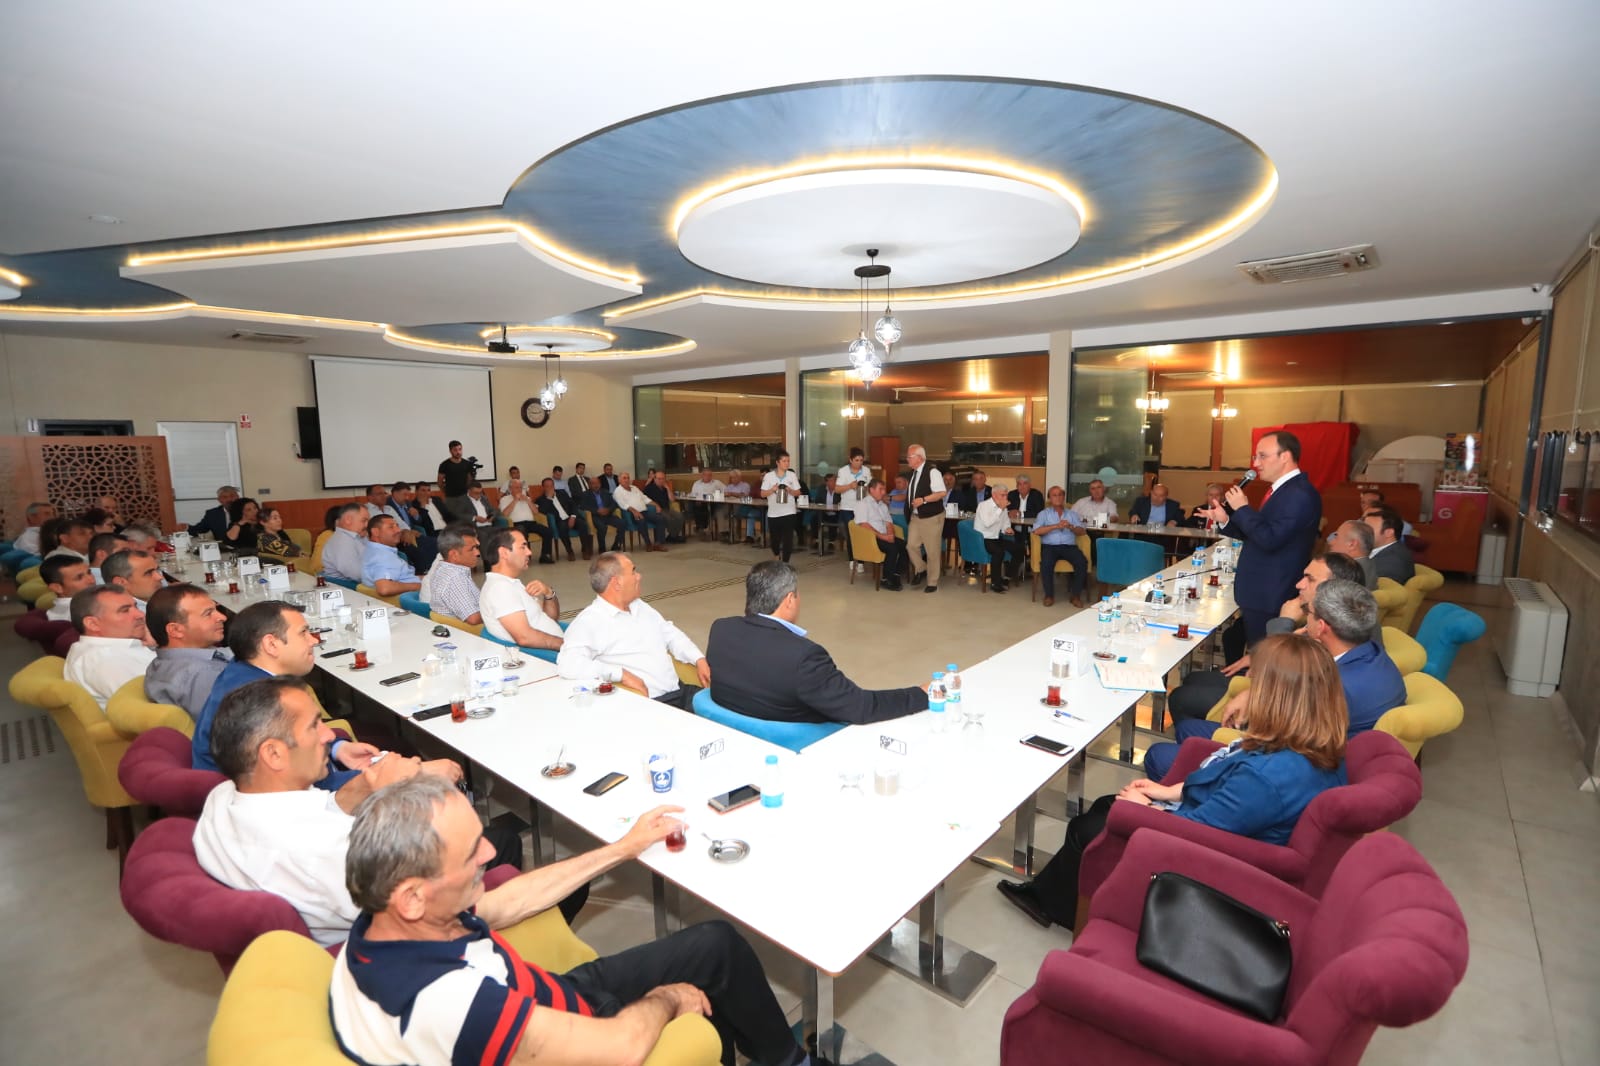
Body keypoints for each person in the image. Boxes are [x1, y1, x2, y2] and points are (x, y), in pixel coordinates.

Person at [329, 775, 825, 1066]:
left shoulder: (389, 923)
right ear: (413, 897)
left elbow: (512, 901)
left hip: (546, 991)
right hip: (580, 1027)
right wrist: (669, 997)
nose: (489, 854)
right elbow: (621, 1048)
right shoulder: (446, 1002)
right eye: (469, 853)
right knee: (708, 970)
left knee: (716, 944)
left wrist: (623, 849)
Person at [997, 633, 1349, 928]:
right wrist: (1168, 791)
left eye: (1256, 683)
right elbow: (1225, 792)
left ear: (1276, 696)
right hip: (1223, 831)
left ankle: (1058, 906)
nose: (1249, 690)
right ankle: (1055, 894)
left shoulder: (1266, 779)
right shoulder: (1310, 745)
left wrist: (1146, 811)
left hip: (1210, 862)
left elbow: (1200, 834)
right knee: (1105, 805)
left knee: (1086, 827)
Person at [193, 676, 469, 947]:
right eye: (314, 726)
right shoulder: (324, 851)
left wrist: (368, 784)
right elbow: (430, 908)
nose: (329, 735)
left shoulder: (224, 797)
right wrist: (400, 798)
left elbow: (317, 813)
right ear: (273, 754)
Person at [1144, 580, 1404, 780]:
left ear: (1322, 627)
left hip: (1295, 770)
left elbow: (1277, 739)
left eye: (1309, 612)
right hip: (1314, 752)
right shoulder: (1369, 653)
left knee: (1158, 755)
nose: (1305, 618)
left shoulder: (1335, 687)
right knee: (1188, 729)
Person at [708, 561, 927, 729]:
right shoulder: (803, 656)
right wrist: (921, 693)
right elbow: (861, 707)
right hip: (798, 744)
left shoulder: (720, 629)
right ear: (789, 600)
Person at [1162, 551, 1367, 731]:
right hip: (1271, 686)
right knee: (1193, 679)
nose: (1299, 584)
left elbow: (1274, 673)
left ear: (1334, 589)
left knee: (1181, 698)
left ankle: (1203, 744)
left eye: (1310, 579)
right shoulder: (1326, 617)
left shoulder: (1333, 630)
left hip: (1276, 707)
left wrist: (1284, 622)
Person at [190, 600, 378, 780]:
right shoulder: (260, 702)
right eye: (303, 633)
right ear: (271, 644)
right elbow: (314, 784)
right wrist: (378, 775)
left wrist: (338, 748)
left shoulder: (242, 671)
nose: (313, 640)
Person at [1196, 430, 1323, 650]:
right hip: (1262, 591)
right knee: (1254, 649)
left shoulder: (1299, 494)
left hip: (1271, 592)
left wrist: (1242, 508)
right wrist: (1226, 519)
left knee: (1265, 655)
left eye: (1262, 456)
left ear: (1285, 456)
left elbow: (1270, 539)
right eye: (1255, 457)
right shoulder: (1282, 490)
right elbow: (1258, 533)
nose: (1255, 464)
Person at [558, 552, 707, 709]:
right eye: (633, 571)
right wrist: (621, 674)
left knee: (723, 705)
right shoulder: (590, 621)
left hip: (680, 691)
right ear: (617, 583)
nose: (639, 576)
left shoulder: (639, 606)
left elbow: (670, 634)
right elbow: (568, 664)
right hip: (653, 703)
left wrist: (698, 658)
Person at [142, 584, 231, 721]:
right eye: (208, 613)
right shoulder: (202, 674)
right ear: (176, 630)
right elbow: (228, 725)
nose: (222, 617)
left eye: (216, 610)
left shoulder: (162, 662)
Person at [62, 586, 156, 704]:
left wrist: (156, 646)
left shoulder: (107, 649)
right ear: (93, 624)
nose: (141, 614)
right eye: (125, 610)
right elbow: (163, 702)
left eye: (135, 607)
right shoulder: (106, 661)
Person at [477, 528, 564, 650]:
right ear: (504, 553)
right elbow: (524, 637)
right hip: (553, 655)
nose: (529, 552)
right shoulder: (500, 589)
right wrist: (568, 646)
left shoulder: (511, 583)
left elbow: (551, 618)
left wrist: (549, 593)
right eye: (523, 547)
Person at [1034, 485, 1090, 607]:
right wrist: (1055, 526)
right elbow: (1037, 531)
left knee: (1082, 562)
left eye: (1060, 495)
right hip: (1050, 546)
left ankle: (1075, 596)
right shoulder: (1043, 514)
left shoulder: (1072, 514)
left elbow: (1082, 532)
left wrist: (1071, 527)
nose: (1058, 497)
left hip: (1069, 547)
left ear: (1063, 497)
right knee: (1046, 564)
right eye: (1054, 495)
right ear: (1050, 499)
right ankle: (1049, 595)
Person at [904, 444, 947, 594]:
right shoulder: (913, 473)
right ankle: (921, 568)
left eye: (909, 457)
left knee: (932, 550)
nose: (907, 459)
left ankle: (932, 582)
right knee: (911, 546)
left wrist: (923, 500)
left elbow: (941, 493)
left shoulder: (932, 472)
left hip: (931, 517)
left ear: (920, 458)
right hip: (916, 516)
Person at [419, 525, 482, 624]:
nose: (477, 553)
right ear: (454, 555)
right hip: (473, 631)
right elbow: (473, 618)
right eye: (472, 549)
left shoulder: (444, 568)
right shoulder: (455, 578)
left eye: (477, 547)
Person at [854, 478, 907, 590]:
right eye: (880, 489)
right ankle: (886, 579)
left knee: (906, 546)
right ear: (871, 490)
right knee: (892, 549)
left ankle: (896, 574)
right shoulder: (863, 504)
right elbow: (864, 525)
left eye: (884, 489)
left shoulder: (882, 505)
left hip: (884, 536)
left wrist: (890, 535)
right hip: (871, 538)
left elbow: (889, 523)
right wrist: (882, 536)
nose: (883, 492)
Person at [363, 515, 423, 598]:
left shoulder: (373, 549)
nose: (398, 530)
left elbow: (403, 577)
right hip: (414, 598)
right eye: (391, 527)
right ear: (376, 532)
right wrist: (418, 586)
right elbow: (384, 588)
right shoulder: (382, 556)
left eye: (397, 526)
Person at [831, 447, 872, 569]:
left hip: (862, 507)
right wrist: (849, 486)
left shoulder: (866, 471)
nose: (859, 463)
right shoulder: (843, 471)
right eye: (856, 460)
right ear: (850, 460)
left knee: (862, 533)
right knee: (851, 534)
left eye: (861, 460)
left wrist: (866, 489)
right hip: (847, 508)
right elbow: (837, 489)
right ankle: (851, 559)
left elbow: (871, 487)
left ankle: (861, 562)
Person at [759, 450, 802, 563]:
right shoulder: (769, 476)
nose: (787, 463)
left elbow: (798, 492)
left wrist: (790, 490)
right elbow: (762, 494)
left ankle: (786, 563)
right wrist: (772, 489)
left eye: (788, 461)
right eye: (784, 461)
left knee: (788, 539)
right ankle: (776, 554)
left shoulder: (792, 475)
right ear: (777, 462)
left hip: (789, 512)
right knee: (775, 539)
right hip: (774, 513)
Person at [972, 483, 1017, 592]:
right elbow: (987, 523)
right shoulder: (983, 506)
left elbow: (1005, 522)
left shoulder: (1003, 508)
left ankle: (1007, 577)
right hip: (982, 538)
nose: (1005, 498)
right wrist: (1000, 509)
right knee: (999, 552)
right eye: (1003, 495)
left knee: (1018, 548)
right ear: (994, 495)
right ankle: (995, 583)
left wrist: (1007, 528)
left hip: (996, 537)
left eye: (1006, 495)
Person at [499, 476, 554, 564]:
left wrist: (528, 501)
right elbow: (505, 514)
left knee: (548, 531)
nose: (519, 490)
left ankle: (545, 556)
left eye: (520, 487)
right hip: (516, 524)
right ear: (510, 489)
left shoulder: (527, 498)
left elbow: (536, 512)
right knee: (522, 532)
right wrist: (515, 500)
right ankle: (524, 557)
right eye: (517, 487)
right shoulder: (504, 499)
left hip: (531, 523)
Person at [538, 476, 593, 560]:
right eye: (547, 486)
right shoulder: (541, 499)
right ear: (543, 487)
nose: (550, 488)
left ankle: (585, 550)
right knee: (562, 527)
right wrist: (549, 498)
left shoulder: (562, 493)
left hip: (571, 516)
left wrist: (573, 516)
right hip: (559, 520)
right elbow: (543, 511)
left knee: (583, 524)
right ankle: (570, 551)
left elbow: (573, 505)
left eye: (552, 486)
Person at [614, 472, 668, 553]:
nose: (627, 480)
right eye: (624, 478)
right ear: (619, 480)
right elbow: (623, 505)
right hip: (631, 514)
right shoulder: (618, 491)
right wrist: (635, 511)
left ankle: (659, 544)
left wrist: (656, 505)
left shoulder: (634, 488)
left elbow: (644, 498)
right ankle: (648, 544)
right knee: (641, 520)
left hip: (644, 511)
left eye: (628, 478)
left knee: (660, 518)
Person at [1366, 505, 1416, 584]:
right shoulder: (1384, 550)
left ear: (1388, 532)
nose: (1361, 532)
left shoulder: (1392, 562)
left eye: (1368, 529)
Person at [319, 503, 369, 584]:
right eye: (364, 521)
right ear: (348, 520)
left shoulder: (356, 537)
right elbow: (357, 574)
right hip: (350, 587)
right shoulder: (343, 541)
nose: (367, 525)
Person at [1006, 474, 1045, 575]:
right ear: (1016, 486)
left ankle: (1027, 564)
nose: (1022, 486)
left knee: (1024, 540)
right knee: (1010, 540)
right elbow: (1004, 509)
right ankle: (1014, 567)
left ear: (1030, 485)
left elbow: (1039, 512)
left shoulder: (1036, 495)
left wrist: (1020, 514)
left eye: (1025, 484)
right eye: (1019, 484)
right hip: (1015, 528)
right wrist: (1009, 513)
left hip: (1032, 528)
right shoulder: (1012, 494)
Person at [39, 555, 96, 622]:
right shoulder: (81, 613)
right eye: (79, 578)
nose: (92, 580)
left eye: (89, 573)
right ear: (57, 588)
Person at [579, 475, 626, 552]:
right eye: (593, 483)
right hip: (595, 516)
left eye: (598, 483)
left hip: (608, 515)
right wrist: (596, 511)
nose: (596, 485)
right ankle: (602, 548)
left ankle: (616, 545)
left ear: (600, 484)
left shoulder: (605, 492)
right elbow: (583, 506)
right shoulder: (585, 494)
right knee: (602, 527)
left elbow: (614, 504)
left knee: (622, 523)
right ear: (589, 485)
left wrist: (608, 510)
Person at [1328, 519, 1378, 588]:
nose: (1331, 542)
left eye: (1336, 536)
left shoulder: (1347, 574)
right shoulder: (1370, 567)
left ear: (1352, 545)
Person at [436, 440, 475, 523]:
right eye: (455, 450)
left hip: (464, 496)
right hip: (450, 498)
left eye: (460, 449)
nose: (458, 452)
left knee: (469, 519)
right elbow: (440, 482)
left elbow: (469, 479)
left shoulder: (467, 464)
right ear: (450, 451)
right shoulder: (444, 464)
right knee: (453, 521)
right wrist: (446, 492)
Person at [644, 471, 687, 543]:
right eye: (659, 479)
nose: (661, 480)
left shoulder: (664, 488)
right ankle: (673, 537)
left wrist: (667, 488)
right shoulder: (649, 488)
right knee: (669, 518)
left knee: (680, 516)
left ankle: (672, 536)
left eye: (663, 479)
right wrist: (655, 506)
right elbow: (644, 500)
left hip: (666, 509)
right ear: (654, 479)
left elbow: (672, 500)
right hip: (656, 510)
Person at [683, 469, 725, 540]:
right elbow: (693, 494)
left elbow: (726, 491)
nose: (708, 476)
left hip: (712, 503)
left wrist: (718, 495)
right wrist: (697, 500)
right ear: (702, 476)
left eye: (710, 475)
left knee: (699, 507)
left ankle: (700, 527)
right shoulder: (696, 483)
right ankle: (701, 527)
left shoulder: (717, 483)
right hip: (698, 503)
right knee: (693, 504)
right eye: (706, 475)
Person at [725, 468, 759, 543]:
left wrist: (732, 494)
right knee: (721, 511)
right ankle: (726, 533)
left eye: (734, 477)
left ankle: (734, 535)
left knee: (732, 513)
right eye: (731, 478)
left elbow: (744, 496)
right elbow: (725, 494)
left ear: (739, 477)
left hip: (741, 505)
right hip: (729, 504)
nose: (733, 479)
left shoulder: (745, 485)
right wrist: (728, 494)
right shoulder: (729, 486)